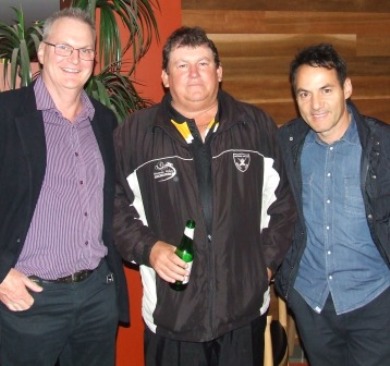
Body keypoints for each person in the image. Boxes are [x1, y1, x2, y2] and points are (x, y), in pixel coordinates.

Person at [113, 26, 296, 366]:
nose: (194, 74)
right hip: (173, 316)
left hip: (242, 313)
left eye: (203, 63)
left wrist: (264, 267)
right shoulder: (134, 135)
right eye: (182, 65)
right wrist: (149, 249)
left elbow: (282, 206)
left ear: (219, 72)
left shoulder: (256, 127)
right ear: (166, 77)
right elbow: (115, 210)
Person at [0, 8, 129, 366]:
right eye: (64, 47)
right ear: (41, 53)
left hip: (95, 297)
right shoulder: (6, 115)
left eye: (85, 50)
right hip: (29, 299)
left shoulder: (104, 121)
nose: (75, 59)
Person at [275, 43, 390, 366]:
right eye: (304, 94)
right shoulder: (287, 145)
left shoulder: (383, 145)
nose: (316, 105)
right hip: (311, 303)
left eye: (325, 90)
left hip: (375, 303)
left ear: (347, 88)